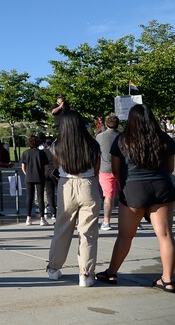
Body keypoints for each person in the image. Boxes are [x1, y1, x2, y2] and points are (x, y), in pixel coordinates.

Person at [96, 104, 175, 293]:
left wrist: (125, 185)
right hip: (162, 189)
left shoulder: (122, 140)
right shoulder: (165, 139)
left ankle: (111, 272)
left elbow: (116, 170)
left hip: (133, 189)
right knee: (165, 235)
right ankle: (167, 280)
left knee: (125, 235)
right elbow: (170, 169)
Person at [45, 110, 101, 287]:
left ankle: (53, 269)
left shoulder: (57, 144)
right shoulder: (92, 144)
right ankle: (85, 274)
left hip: (66, 185)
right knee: (88, 232)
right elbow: (97, 167)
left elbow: (56, 164)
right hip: (88, 184)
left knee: (62, 228)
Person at [96, 114, 120, 230]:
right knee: (126, 195)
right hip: (121, 170)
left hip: (105, 169)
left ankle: (106, 222)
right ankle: (134, 220)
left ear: (106, 124)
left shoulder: (100, 137)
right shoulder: (122, 136)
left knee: (108, 196)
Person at [21, 136, 49, 226]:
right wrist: (43, 174)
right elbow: (46, 167)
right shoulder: (42, 153)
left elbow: (23, 167)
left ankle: (28, 218)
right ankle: (42, 218)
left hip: (29, 177)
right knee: (40, 197)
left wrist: (27, 174)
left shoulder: (25, 153)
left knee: (29, 197)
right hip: (39, 176)